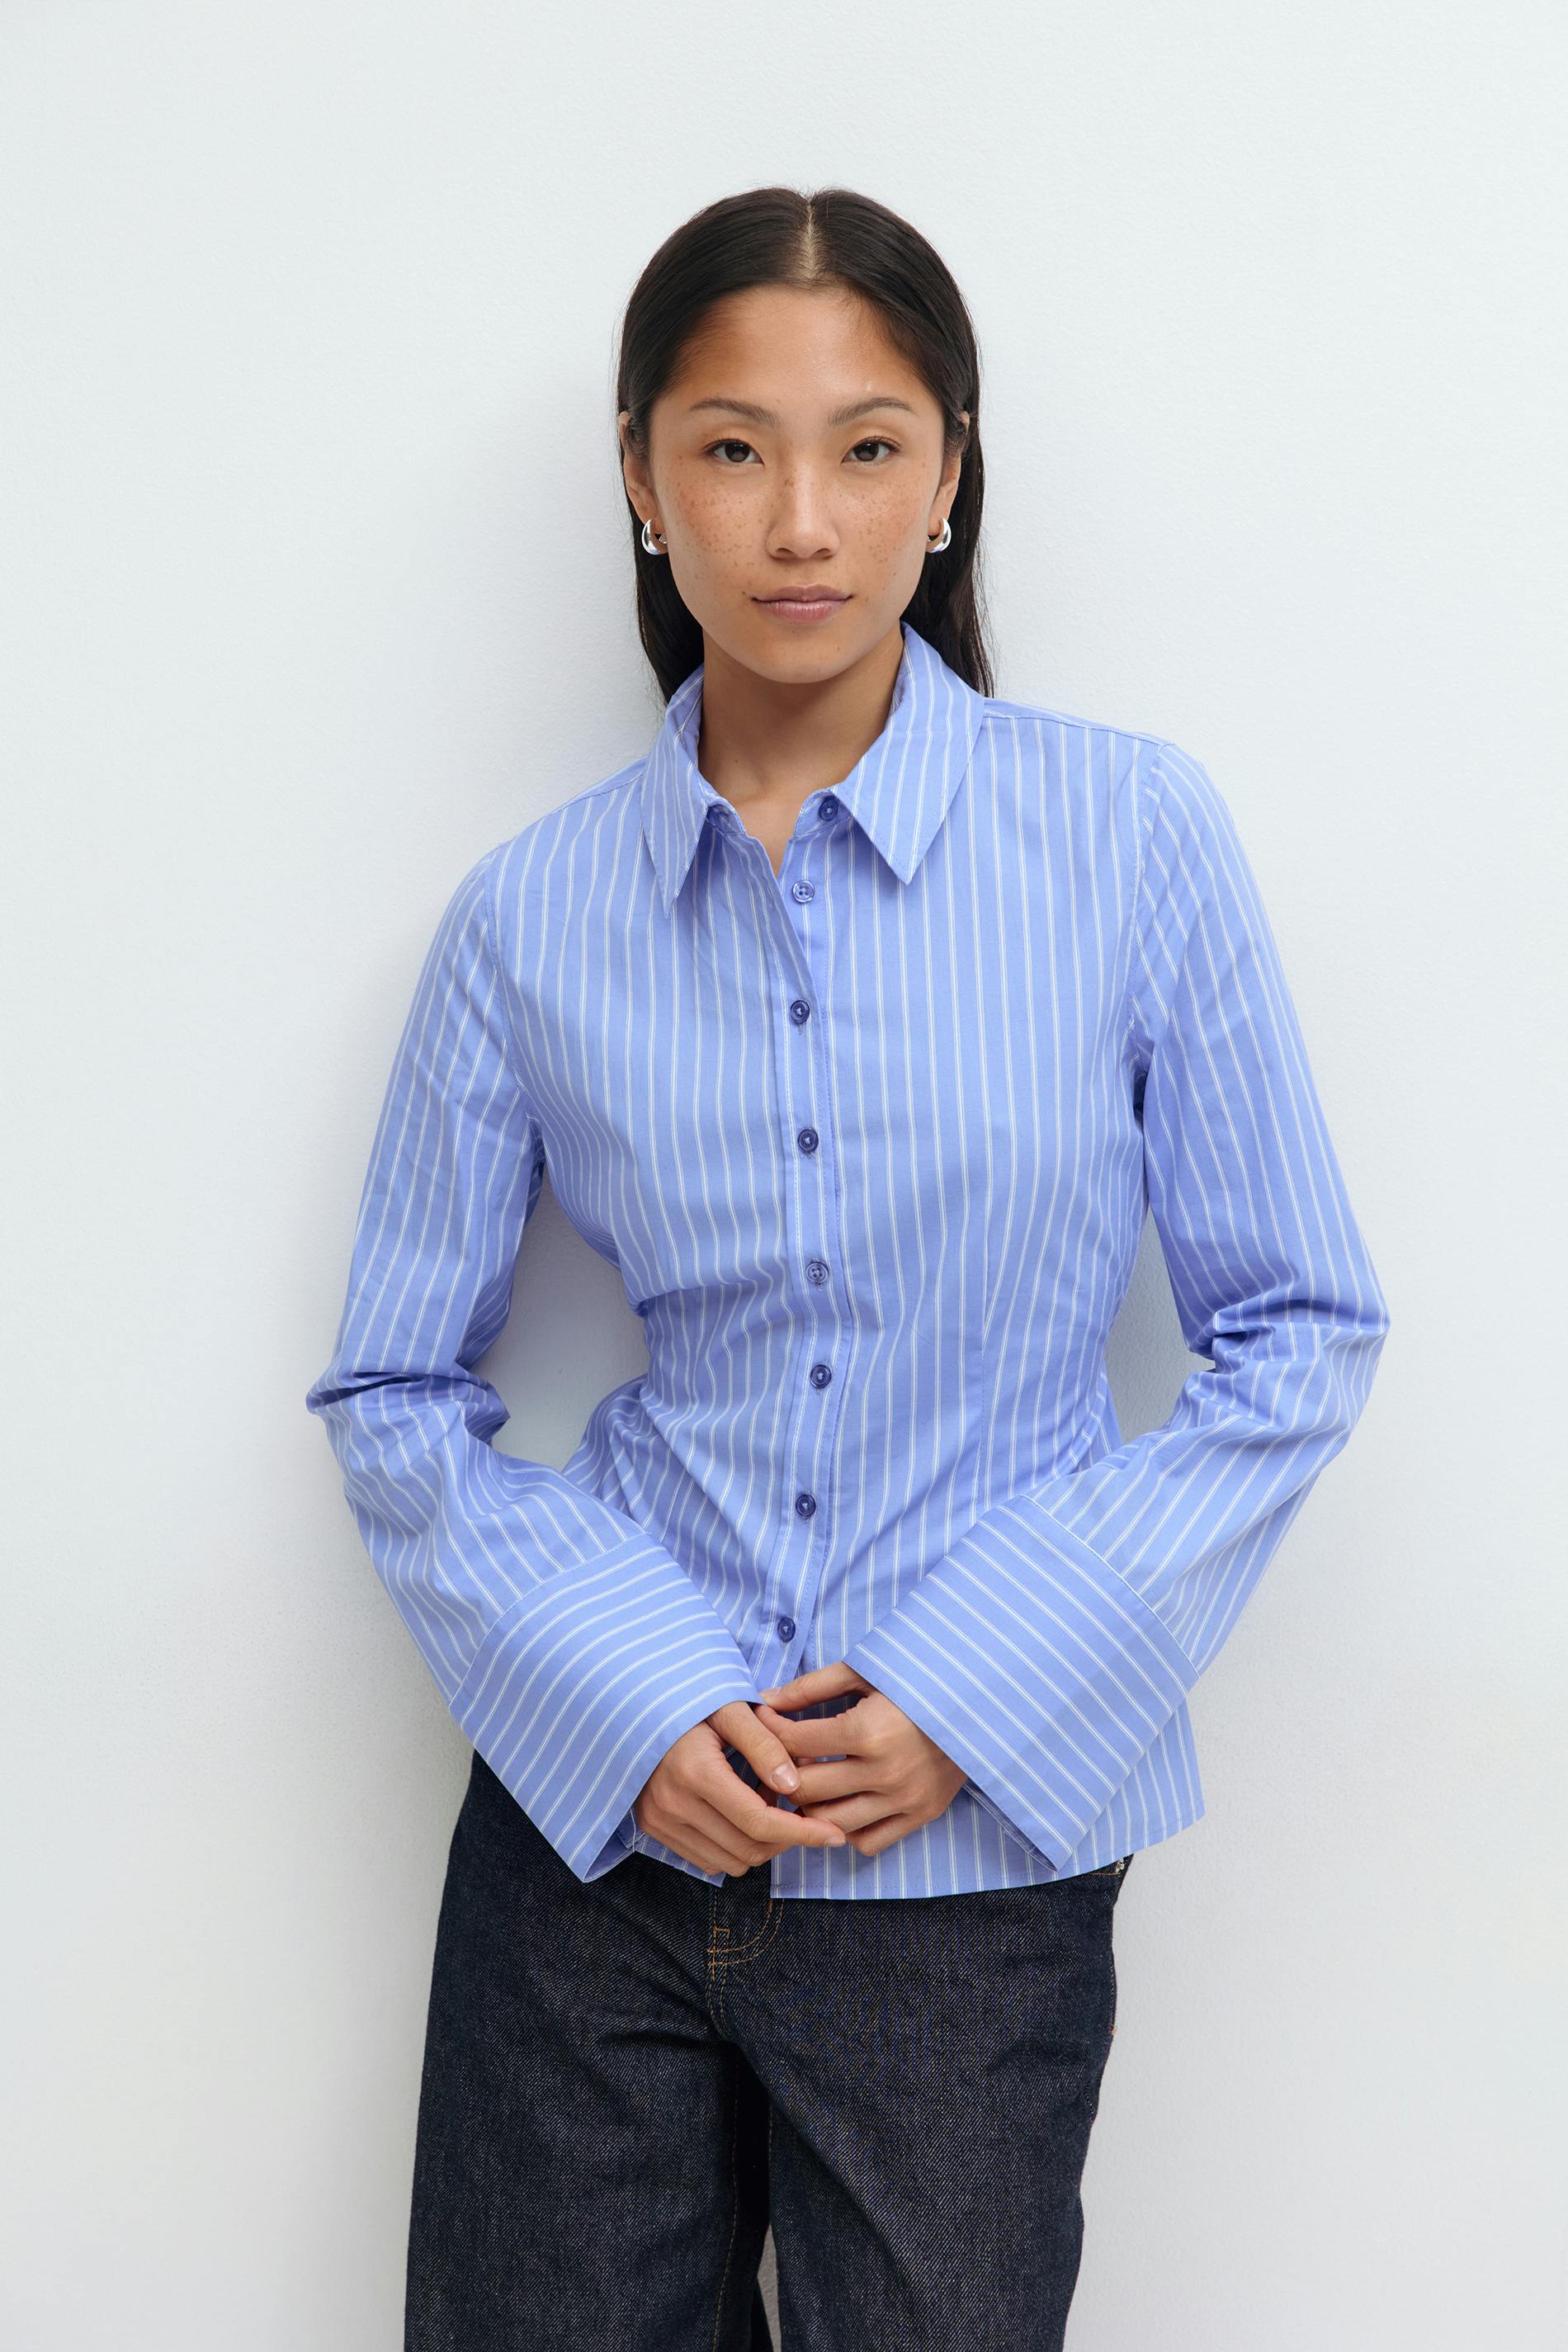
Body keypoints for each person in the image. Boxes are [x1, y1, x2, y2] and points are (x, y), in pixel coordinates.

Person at [305, 184, 1391, 2352]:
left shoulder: (1130, 838)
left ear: (949, 473)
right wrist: (623, 1700)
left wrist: (975, 1690)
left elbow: (1299, 1331)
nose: (799, 518)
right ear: (641, 481)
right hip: (593, 1859)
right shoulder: (530, 918)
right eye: (730, 447)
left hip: (967, 1874)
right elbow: (392, 1390)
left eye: (867, 445)